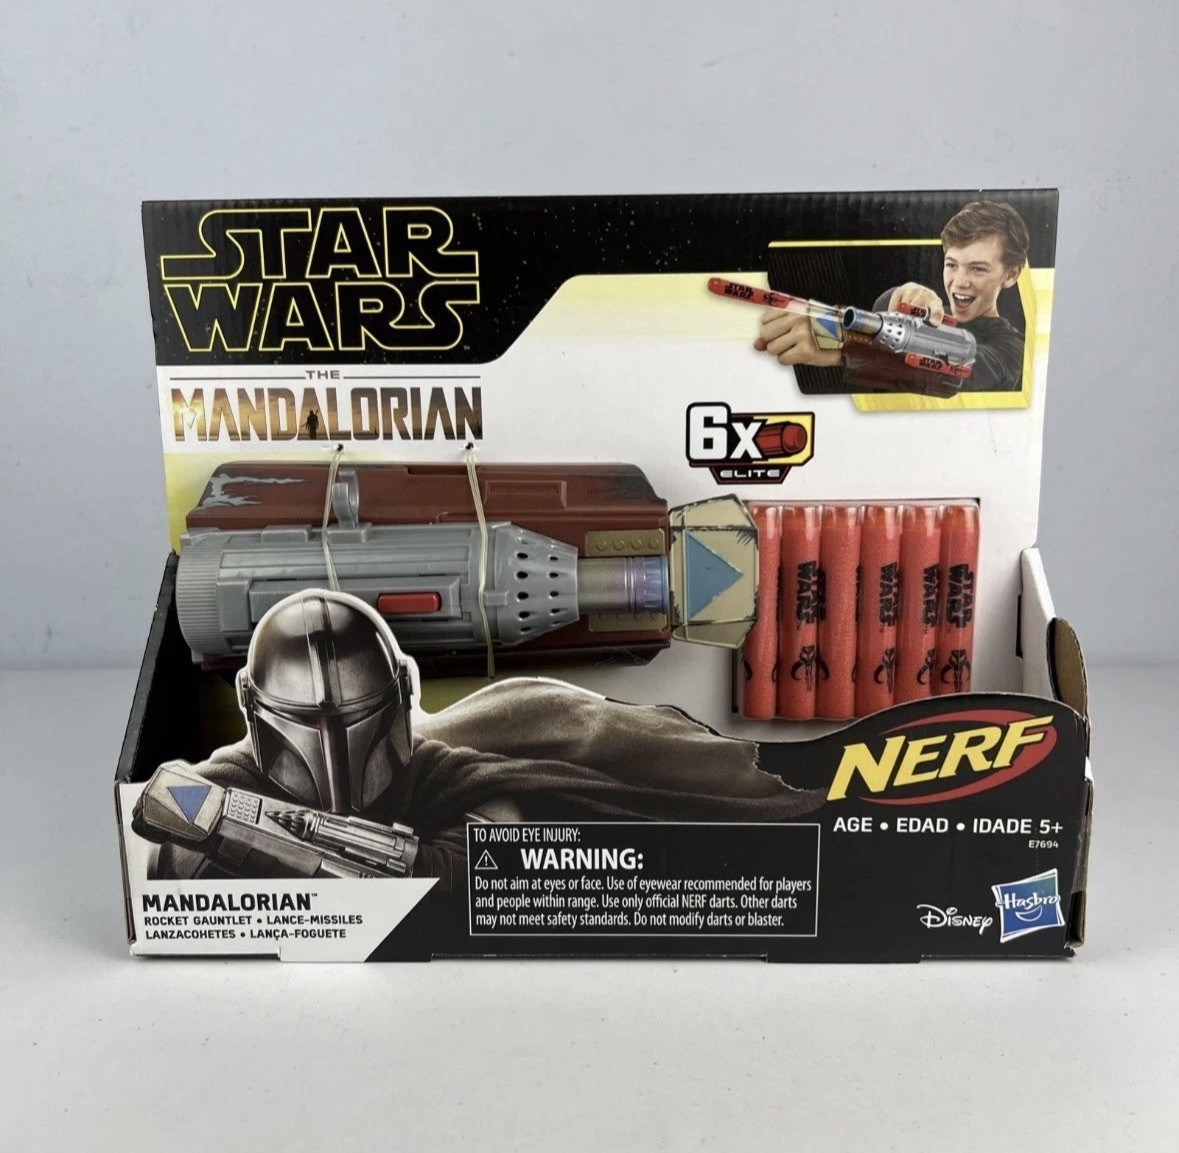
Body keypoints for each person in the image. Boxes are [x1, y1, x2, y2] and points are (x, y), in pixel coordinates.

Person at [133, 589, 824, 892]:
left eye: (351, 720)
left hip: (566, 727)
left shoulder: (455, 768)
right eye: (307, 723)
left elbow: (473, 865)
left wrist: (260, 837)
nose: (332, 748)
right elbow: (167, 808)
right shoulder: (226, 780)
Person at [758, 201, 1029, 392]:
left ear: (1010, 275)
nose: (959, 281)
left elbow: (961, 366)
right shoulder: (934, 312)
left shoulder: (1013, 350)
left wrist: (840, 340)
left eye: (978, 269)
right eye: (952, 264)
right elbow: (881, 314)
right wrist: (897, 297)